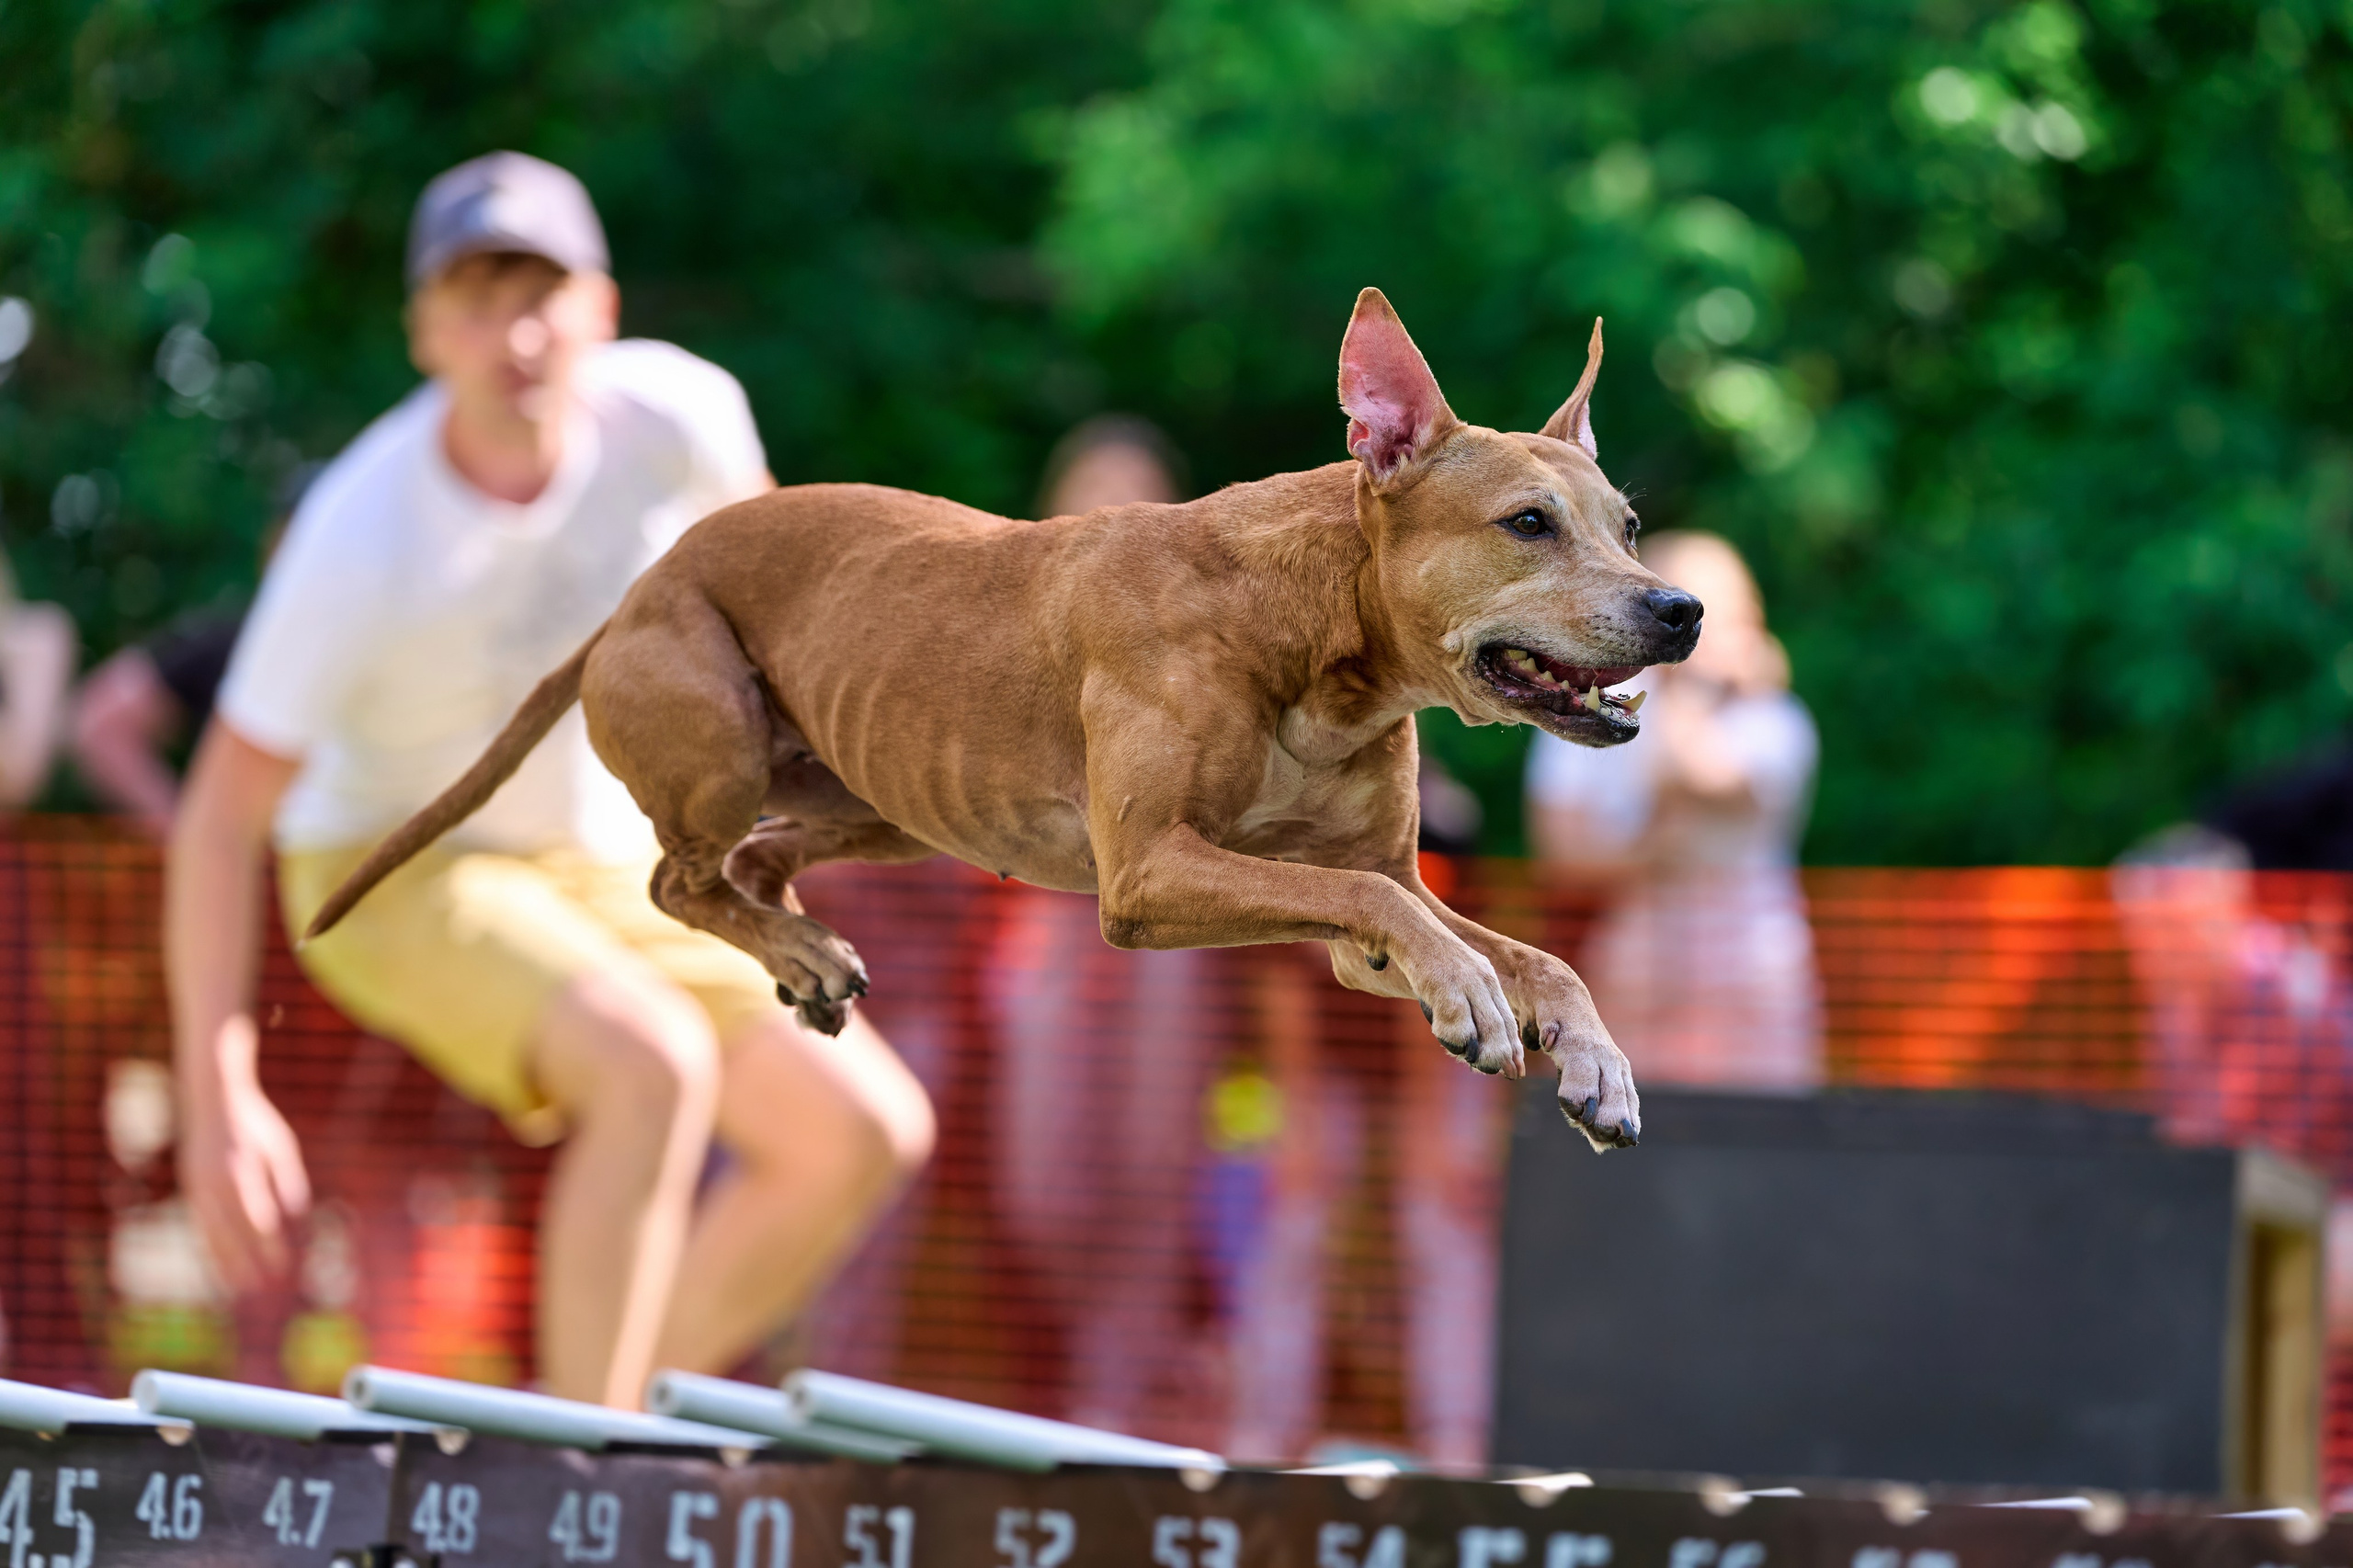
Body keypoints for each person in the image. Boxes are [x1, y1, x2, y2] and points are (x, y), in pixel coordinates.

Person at [166, 152, 934, 1408]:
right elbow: (217, 820)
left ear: (602, 308)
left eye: (541, 294)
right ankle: (582, 1478)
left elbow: (790, 606)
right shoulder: (361, 530)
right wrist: (217, 1095)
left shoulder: (678, 420)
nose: (515, 334)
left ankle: (609, 1424)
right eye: (475, 300)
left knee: (856, 1129)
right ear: (424, 332)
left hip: (597, 859)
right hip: (390, 862)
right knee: (652, 1064)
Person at [983, 415, 1214, 1432]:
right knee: (1042, 1190)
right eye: (1091, 498)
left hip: (1169, 947)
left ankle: (1114, 1415)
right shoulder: (1000, 642)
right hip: (1045, 943)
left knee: (1153, 1180)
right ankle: (1083, 1383)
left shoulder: (1215, 649)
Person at [1525, 530, 1822, 1090]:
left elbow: (1708, 781)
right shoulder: (1595, 708)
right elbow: (1561, 852)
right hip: (1640, 969)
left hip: (1754, 973)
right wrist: (1652, 853)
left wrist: (1682, 693)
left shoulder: (1775, 720)